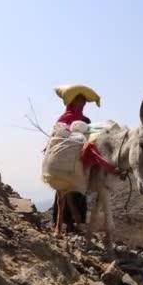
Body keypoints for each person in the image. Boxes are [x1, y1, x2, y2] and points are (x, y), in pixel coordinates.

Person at [51, 94, 92, 231]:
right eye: (78, 101)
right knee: (63, 191)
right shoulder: (63, 119)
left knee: (79, 190)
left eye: (83, 101)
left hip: (80, 160)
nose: (81, 104)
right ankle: (62, 223)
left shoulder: (86, 120)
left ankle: (76, 223)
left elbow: (90, 138)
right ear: (71, 102)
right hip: (65, 162)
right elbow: (56, 137)